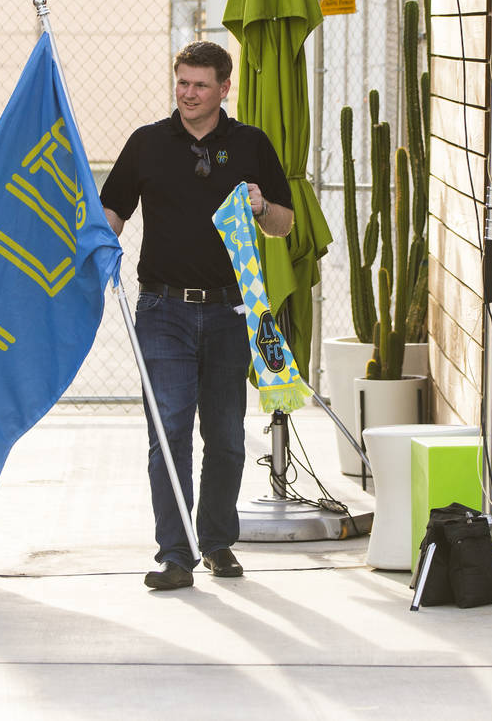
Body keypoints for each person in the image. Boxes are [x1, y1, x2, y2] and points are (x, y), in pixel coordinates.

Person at [101, 40, 293, 590]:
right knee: (169, 433)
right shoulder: (148, 144)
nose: (187, 93)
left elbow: (283, 223)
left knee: (228, 437)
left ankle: (216, 543)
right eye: (181, 82)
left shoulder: (251, 145)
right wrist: (89, 243)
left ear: (223, 89)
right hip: (163, 310)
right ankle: (175, 554)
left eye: (200, 84)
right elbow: (111, 210)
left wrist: (261, 207)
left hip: (233, 311)